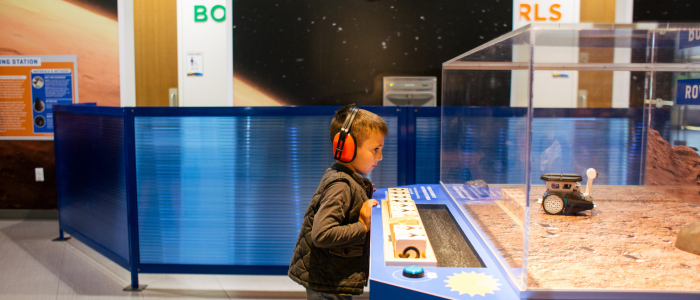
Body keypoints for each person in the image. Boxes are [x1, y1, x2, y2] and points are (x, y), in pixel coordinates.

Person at [289, 104, 387, 300]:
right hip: (327, 283)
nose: (380, 156)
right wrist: (362, 226)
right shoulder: (341, 185)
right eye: (375, 149)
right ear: (346, 147)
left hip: (330, 277)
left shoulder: (346, 178)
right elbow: (322, 234)